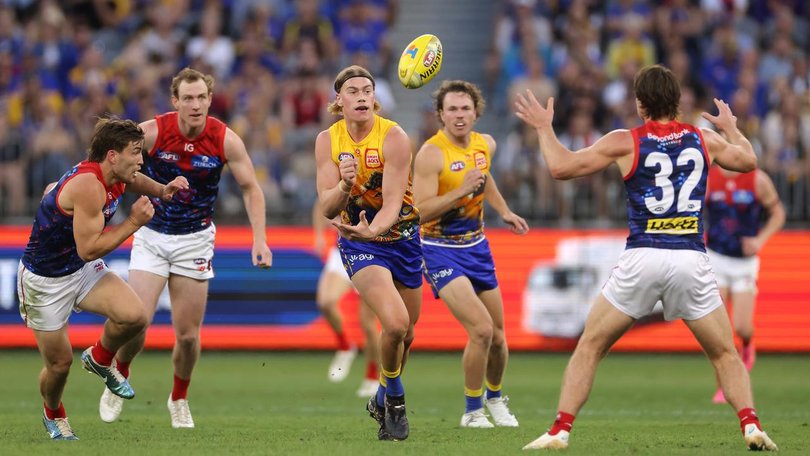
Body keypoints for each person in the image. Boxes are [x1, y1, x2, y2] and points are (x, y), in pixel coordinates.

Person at [514, 64, 778, 451]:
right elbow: (749, 162)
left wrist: (543, 127)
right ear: (677, 101)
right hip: (690, 257)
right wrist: (732, 127)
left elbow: (559, 167)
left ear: (640, 104)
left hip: (643, 256)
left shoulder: (626, 140)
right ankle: (751, 426)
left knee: (589, 346)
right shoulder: (704, 139)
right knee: (725, 353)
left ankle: (560, 430)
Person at [98, 68, 273, 428]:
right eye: (188, 98)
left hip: (194, 238)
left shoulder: (225, 139)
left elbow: (251, 188)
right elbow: (113, 168)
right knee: (137, 321)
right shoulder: (152, 132)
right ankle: (121, 376)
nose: (195, 105)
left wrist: (259, 238)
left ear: (210, 100)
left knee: (189, 336)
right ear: (175, 101)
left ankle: (178, 397)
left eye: (201, 98)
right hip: (152, 235)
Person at [17, 118, 189, 440]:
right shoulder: (89, 186)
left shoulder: (115, 175)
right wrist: (134, 222)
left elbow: (135, 179)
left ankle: (99, 357)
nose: (141, 159)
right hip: (45, 281)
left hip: (78, 271)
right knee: (59, 365)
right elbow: (89, 249)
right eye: (135, 152)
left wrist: (162, 190)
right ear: (112, 155)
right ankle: (53, 412)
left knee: (135, 316)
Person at [412, 80, 528, 429]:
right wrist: (461, 191)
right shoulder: (431, 154)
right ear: (441, 116)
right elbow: (420, 210)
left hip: (477, 246)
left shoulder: (484, 144)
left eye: (465, 109)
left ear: (476, 112)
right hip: (438, 250)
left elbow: (484, 178)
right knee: (481, 331)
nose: (459, 115)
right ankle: (472, 411)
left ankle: (495, 400)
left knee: (499, 337)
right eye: (452, 110)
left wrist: (504, 210)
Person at [315, 65, 422, 441]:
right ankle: (395, 400)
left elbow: (393, 203)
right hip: (360, 244)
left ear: (374, 99)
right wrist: (344, 185)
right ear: (339, 101)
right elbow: (327, 207)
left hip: (403, 238)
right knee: (394, 324)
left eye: (367, 90)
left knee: (406, 336)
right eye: (353, 91)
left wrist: (374, 228)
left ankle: (380, 394)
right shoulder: (327, 141)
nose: (362, 96)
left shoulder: (393, 137)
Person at [706, 165, 785, 404]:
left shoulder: (757, 180)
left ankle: (748, 344)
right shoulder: (709, 178)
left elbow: (778, 212)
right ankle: (723, 387)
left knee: (741, 326)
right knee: (718, 331)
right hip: (716, 258)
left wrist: (760, 240)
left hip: (744, 263)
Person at [312, 199, 381, 397]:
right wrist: (318, 235)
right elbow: (321, 203)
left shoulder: (381, 176)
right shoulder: (345, 173)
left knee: (368, 324)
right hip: (343, 249)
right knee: (326, 302)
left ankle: (372, 376)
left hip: (372, 253)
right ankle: (344, 346)